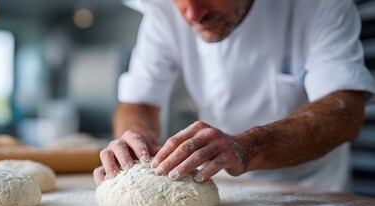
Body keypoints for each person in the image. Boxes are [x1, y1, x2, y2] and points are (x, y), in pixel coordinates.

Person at [94, 0, 375, 192]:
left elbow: (344, 111)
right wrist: (138, 141)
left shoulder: (318, 5)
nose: (192, 13)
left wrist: (247, 147)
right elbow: (138, 102)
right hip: (226, 192)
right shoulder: (163, 12)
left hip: (315, 193)